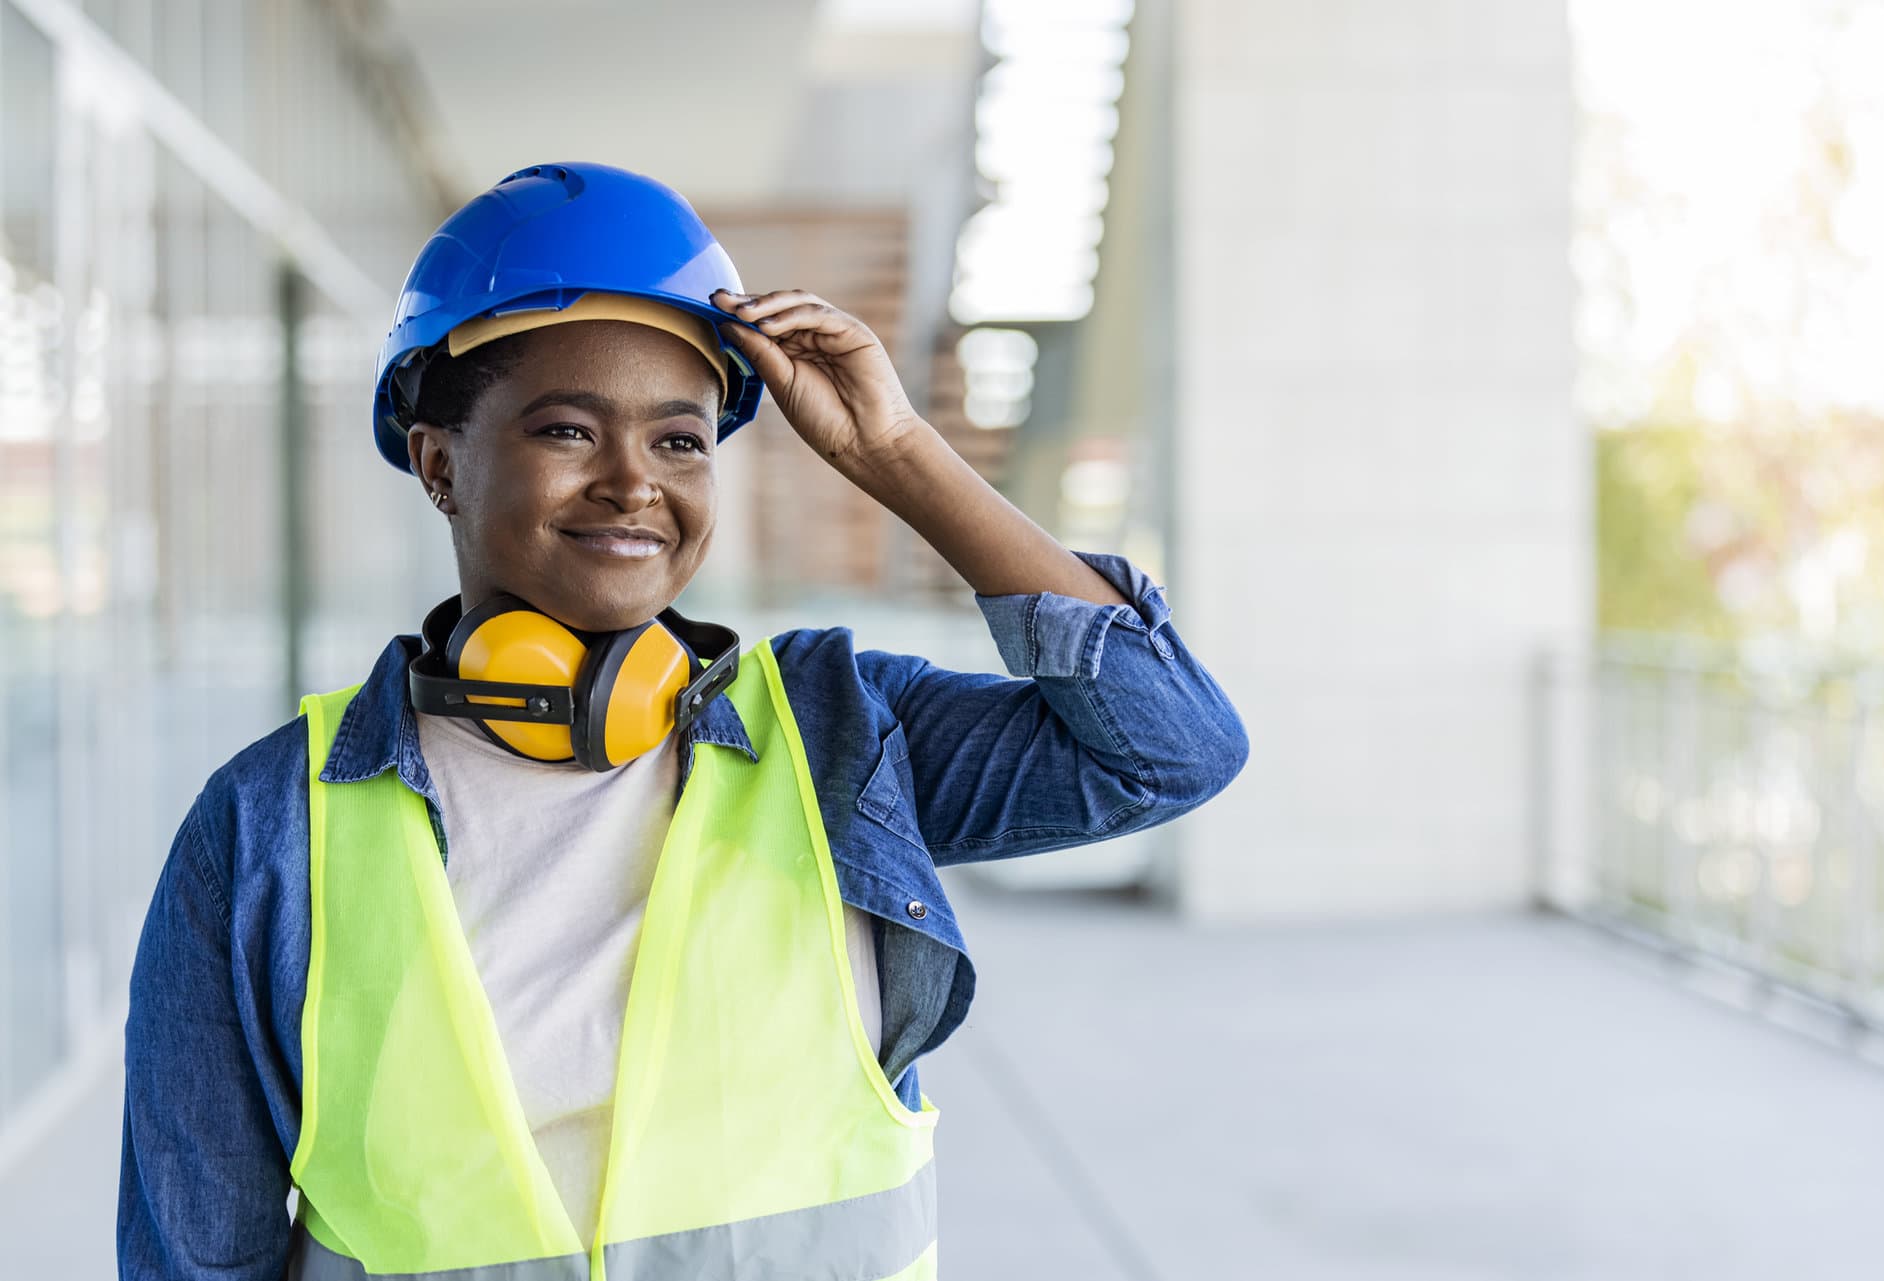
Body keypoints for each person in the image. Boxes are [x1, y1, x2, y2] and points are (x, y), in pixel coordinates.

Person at [118, 162, 1247, 1280]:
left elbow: (1169, 747)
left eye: (679, 440)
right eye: (566, 432)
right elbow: (194, 1252)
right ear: (438, 463)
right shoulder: (271, 825)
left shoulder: (835, 739)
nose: (632, 483)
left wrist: (895, 456)